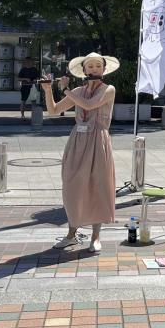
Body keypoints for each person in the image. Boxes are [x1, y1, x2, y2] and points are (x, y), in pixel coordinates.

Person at [40, 52, 119, 252]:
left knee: (98, 185)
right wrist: (48, 90)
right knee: (72, 185)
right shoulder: (77, 91)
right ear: (83, 70)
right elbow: (53, 111)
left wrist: (66, 89)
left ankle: (96, 237)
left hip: (98, 140)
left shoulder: (108, 89)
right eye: (90, 66)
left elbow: (90, 105)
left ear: (103, 69)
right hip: (78, 140)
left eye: (97, 66)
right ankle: (71, 234)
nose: (94, 69)